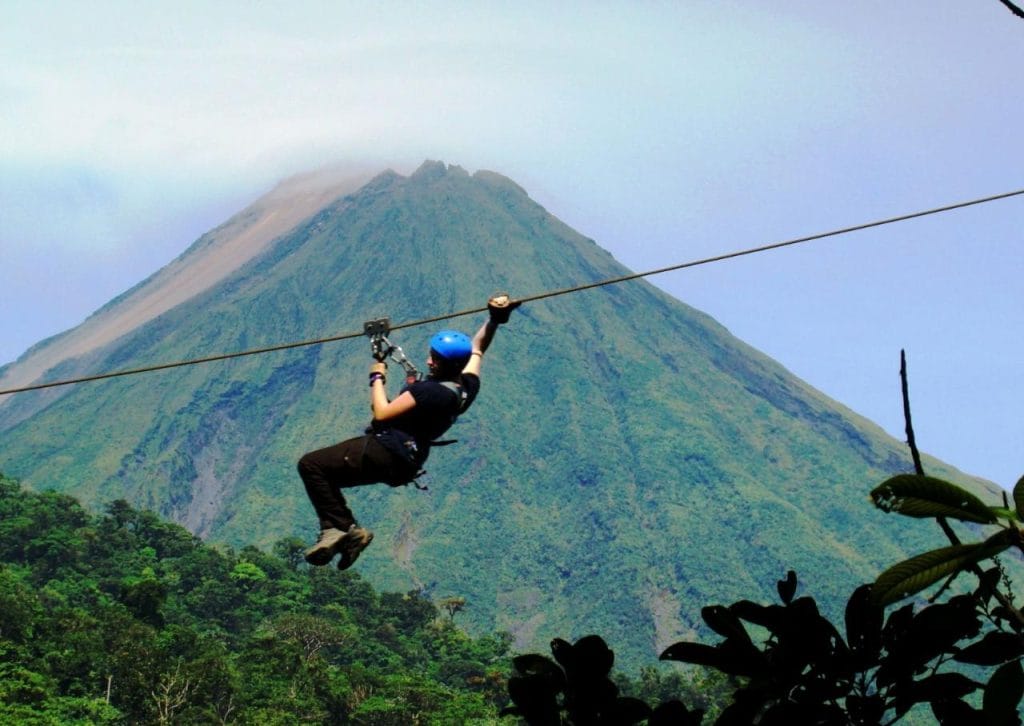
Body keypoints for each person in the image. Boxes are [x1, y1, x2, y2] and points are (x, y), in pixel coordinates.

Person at [297, 295, 517, 569]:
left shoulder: (428, 391)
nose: (428, 360)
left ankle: (343, 529)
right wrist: (494, 320)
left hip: (386, 449)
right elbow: (478, 349)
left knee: (311, 464)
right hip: (407, 463)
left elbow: (382, 413)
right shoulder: (465, 389)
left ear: (440, 363)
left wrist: (377, 376)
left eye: (433, 358)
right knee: (326, 475)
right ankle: (342, 531)